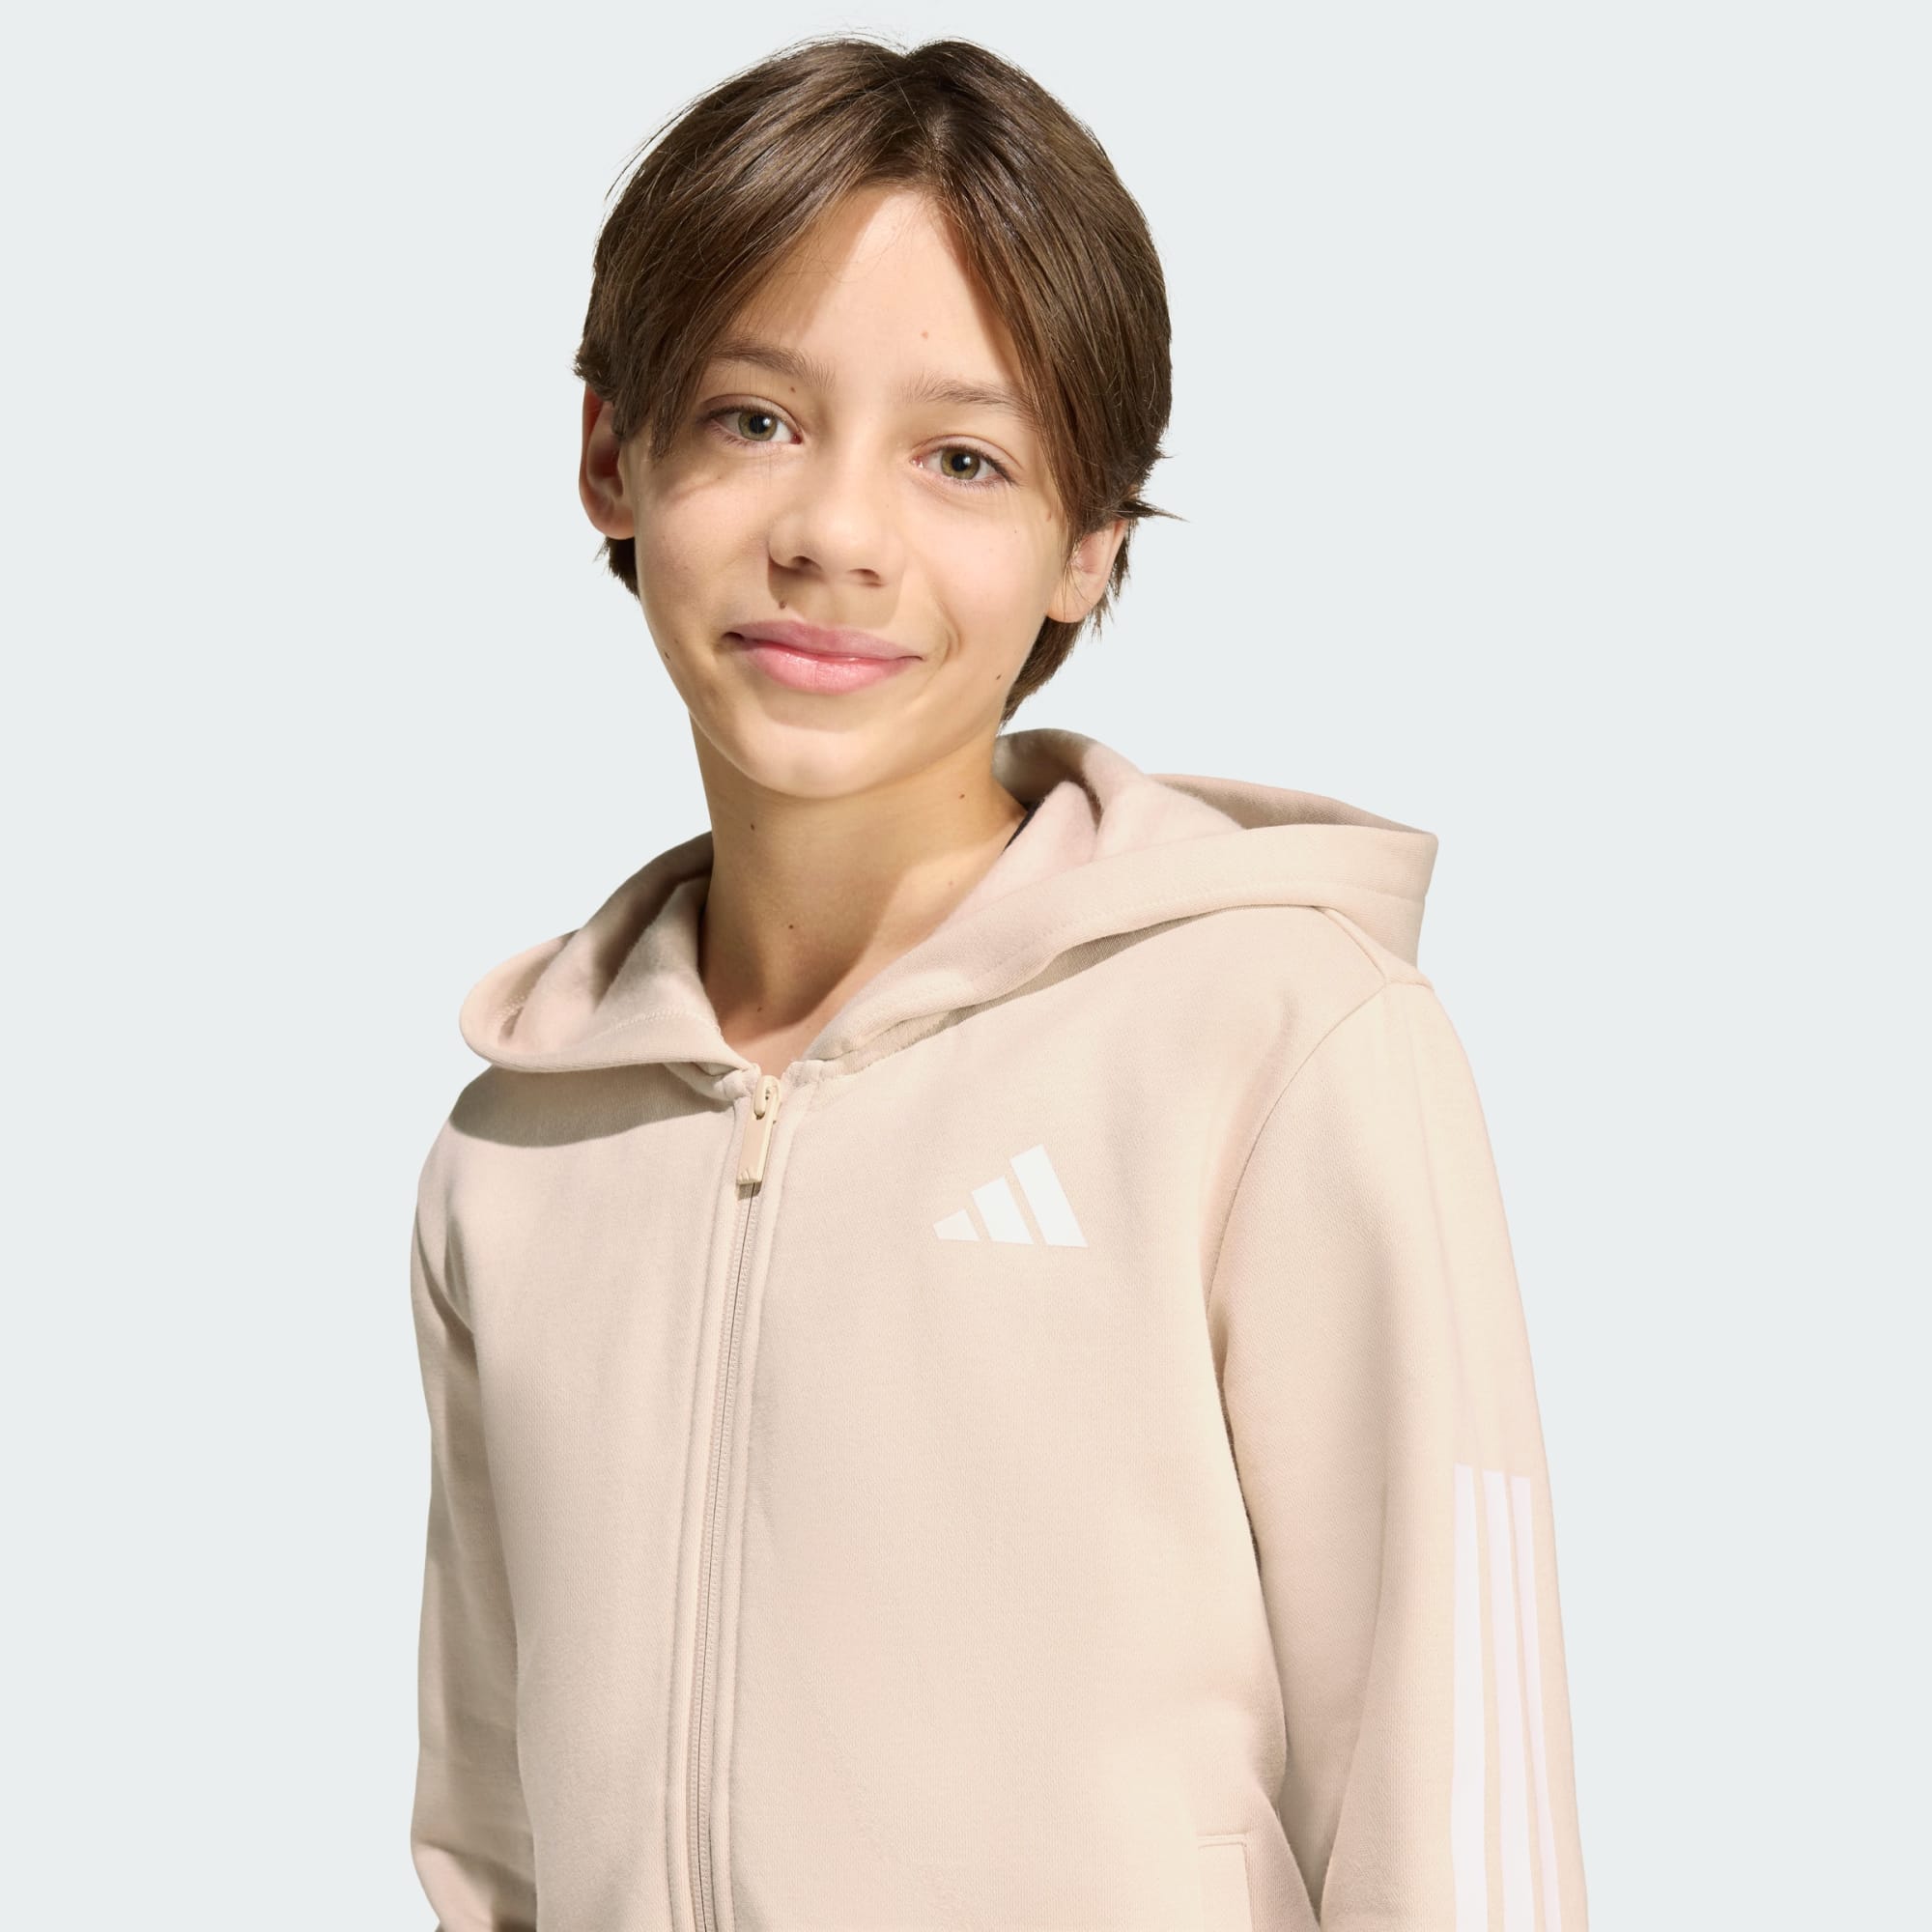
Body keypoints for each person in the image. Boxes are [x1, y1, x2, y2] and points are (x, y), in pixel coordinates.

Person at [406, 32, 1590, 1932]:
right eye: (753, 419)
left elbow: (1461, 1803)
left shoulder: (1276, 1041)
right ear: (612, 457)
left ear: (1086, 545)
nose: (835, 534)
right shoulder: (518, 1151)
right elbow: (497, 1843)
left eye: (962, 459)